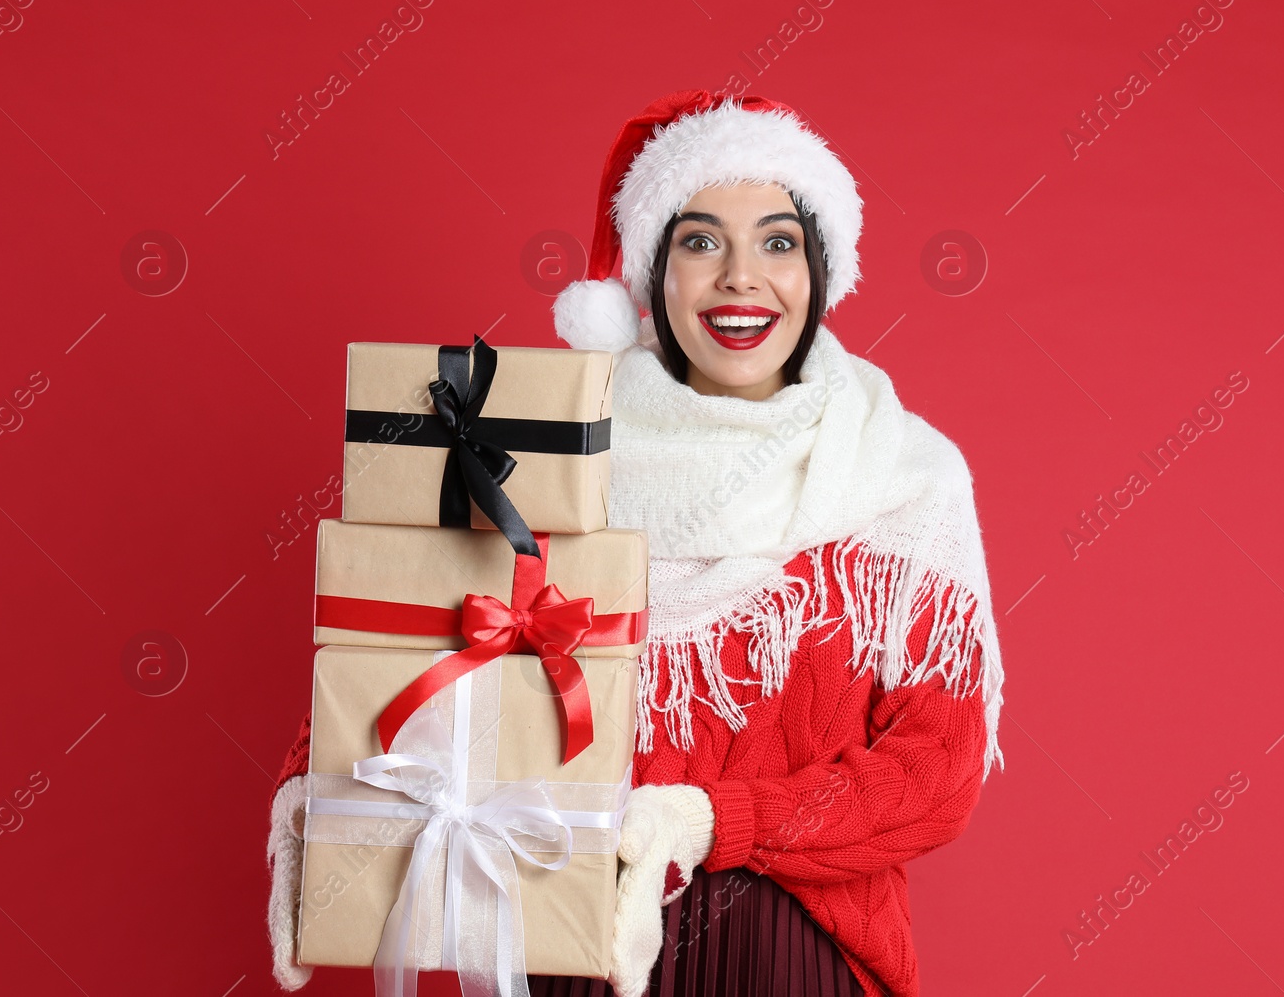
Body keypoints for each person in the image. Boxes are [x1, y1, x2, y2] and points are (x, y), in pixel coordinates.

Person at [265, 90, 1007, 997]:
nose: (742, 276)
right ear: (653, 271)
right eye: (700, 241)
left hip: (789, 956)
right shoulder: (556, 448)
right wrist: (319, 791)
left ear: (822, 268)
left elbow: (937, 771)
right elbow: (431, 628)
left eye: (779, 241)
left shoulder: (905, 481)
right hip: (564, 938)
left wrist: (711, 820)